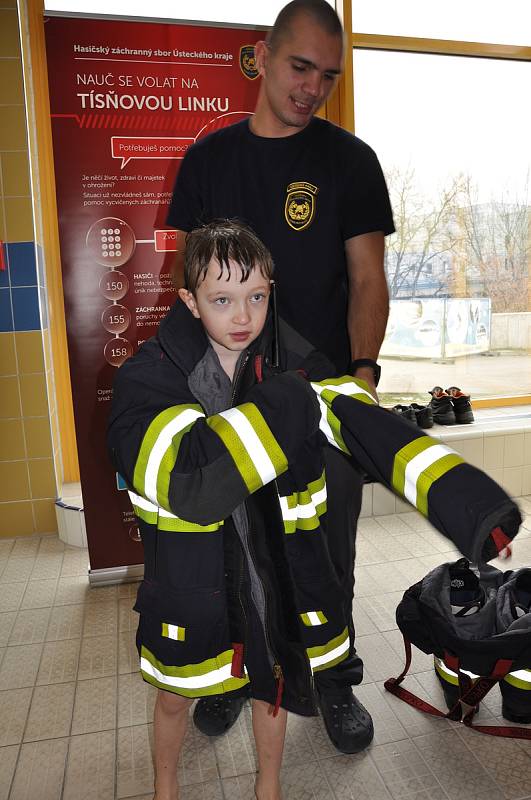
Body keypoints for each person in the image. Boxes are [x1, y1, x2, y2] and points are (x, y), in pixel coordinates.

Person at [166, 0, 395, 752]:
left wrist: (361, 376)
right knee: (234, 544)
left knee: (326, 548)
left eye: (327, 76)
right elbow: (192, 285)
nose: (311, 87)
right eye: (300, 67)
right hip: (228, 396)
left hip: (324, 394)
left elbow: (367, 279)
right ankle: (240, 673)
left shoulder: (349, 161)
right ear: (262, 56)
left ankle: (332, 683)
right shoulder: (209, 161)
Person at [108, 220, 360, 800]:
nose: (242, 317)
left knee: (271, 685)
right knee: (176, 692)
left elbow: (348, 417)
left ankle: (267, 787)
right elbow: (180, 473)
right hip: (194, 574)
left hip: (268, 566)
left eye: (257, 297)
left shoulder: (287, 362)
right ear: (189, 302)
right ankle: (165, 786)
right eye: (222, 299)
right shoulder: (154, 375)